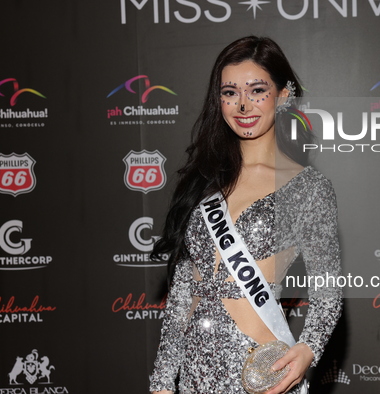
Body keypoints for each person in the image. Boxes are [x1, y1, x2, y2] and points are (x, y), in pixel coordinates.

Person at [149, 36, 342, 394]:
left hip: (258, 371)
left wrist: (307, 350)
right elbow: (180, 294)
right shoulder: (202, 181)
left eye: (256, 90)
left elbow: (327, 292)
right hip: (194, 375)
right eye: (229, 92)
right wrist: (162, 382)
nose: (242, 105)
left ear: (284, 95)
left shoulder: (308, 188)